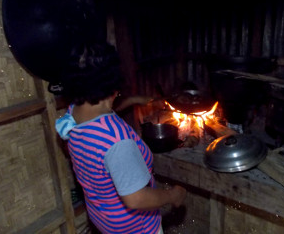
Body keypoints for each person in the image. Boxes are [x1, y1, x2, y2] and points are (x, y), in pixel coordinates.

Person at [51, 42, 186, 234]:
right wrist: (173, 195)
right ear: (114, 84)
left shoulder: (74, 113)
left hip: (103, 219)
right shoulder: (117, 141)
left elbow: (101, 114)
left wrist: (135, 100)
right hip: (136, 228)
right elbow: (136, 198)